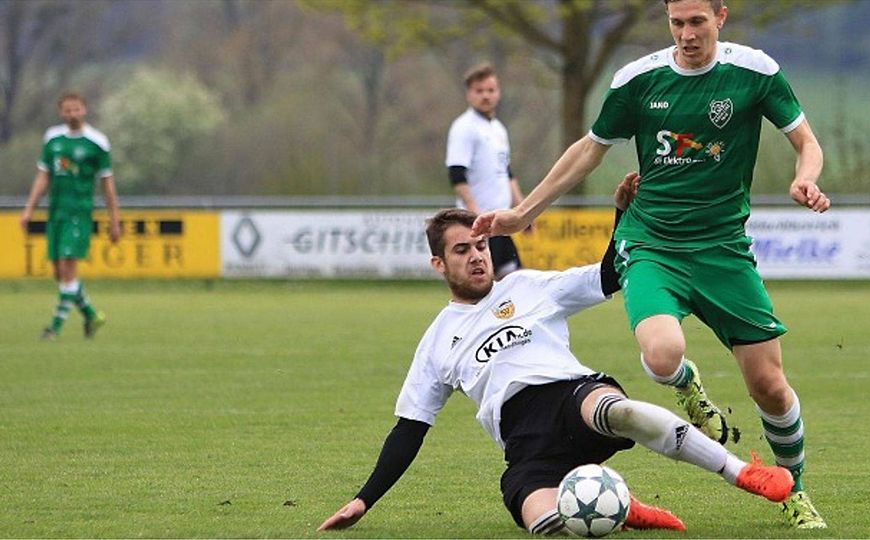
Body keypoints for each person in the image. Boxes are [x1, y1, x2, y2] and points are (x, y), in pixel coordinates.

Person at [470, 0, 829, 529]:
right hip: (652, 244)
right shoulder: (638, 80)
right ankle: (687, 385)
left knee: (770, 386)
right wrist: (522, 213)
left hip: (723, 249)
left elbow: (806, 141)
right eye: (676, 23)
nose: (686, 34)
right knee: (662, 356)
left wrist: (807, 177)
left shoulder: (755, 72)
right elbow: (588, 151)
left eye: (697, 22)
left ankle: (794, 490)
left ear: (720, 17)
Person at [319, 174, 796, 535]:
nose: (478, 256)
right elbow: (410, 428)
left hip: (570, 398)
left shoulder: (528, 286)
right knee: (547, 523)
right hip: (524, 445)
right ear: (439, 264)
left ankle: (742, 472)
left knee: (618, 410)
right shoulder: (438, 339)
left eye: (481, 245)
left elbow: (609, 276)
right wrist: (363, 501)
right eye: (462, 250)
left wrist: (621, 215)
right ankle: (623, 508)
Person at [20, 92, 121, 341]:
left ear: (84, 110)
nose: (72, 114)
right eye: (68, 110)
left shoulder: (97, 142)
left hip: (79, 212)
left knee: (68, 267)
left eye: (76, 109)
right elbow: (43, 176)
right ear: (61, 112)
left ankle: (53, 328)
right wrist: (29, 209)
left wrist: (114, 220)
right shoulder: (53, 139)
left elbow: (107, 184)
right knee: (59, 273)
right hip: (56, 212)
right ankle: (91, 315)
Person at [446, 62, 526, 279]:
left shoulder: (498, 129)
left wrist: (522, 209)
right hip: (479, 223)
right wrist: (475, 214)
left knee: (513, 283)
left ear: (498, 93)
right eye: (479, 91)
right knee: (485, 287)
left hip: (499, 221)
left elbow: (506, 171)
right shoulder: (464, 127)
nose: (486, 96)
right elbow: (456, 174)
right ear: (469, 95)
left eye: (490, 90)